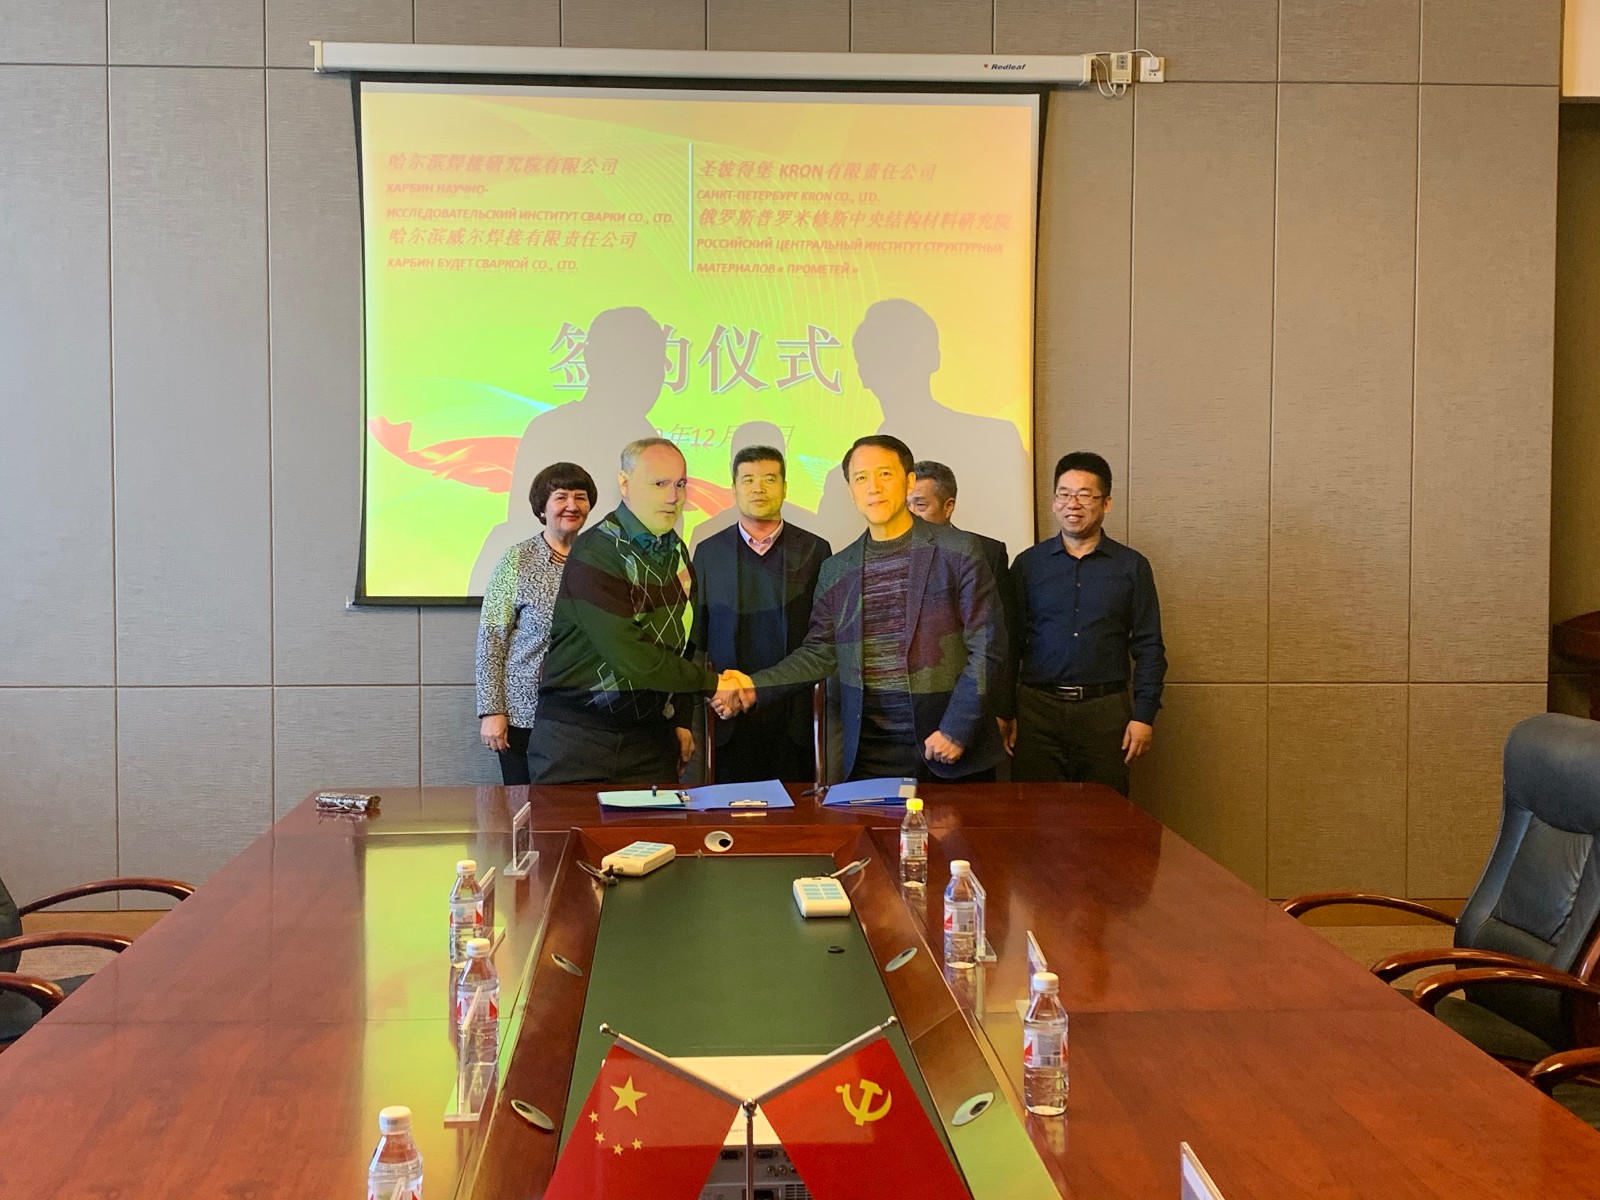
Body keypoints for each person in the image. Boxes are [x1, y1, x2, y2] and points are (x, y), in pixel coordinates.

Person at [716, 435, 1006, 783]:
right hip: (869, 756)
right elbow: (820, 652)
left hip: (946, 749)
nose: (873, 487)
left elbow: (988, 646)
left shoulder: (958, 551)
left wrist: (957, 729)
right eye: (861, 478)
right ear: (851, 491)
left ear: (908, 481)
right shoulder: (838, 568)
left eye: (885, 474)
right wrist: (753, 686)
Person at [529, 438, 717, 784]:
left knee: (660, 825)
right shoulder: (596, 550)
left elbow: (685, 644)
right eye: (659, 484)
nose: (673, 496)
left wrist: (680, 719)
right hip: (578, 743)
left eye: (680, 484)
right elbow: (630, 655)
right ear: (624, 483)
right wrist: (715, 684)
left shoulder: (677, 552)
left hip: (650, 741)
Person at [470, 306, 667, 594]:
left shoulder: (657, 448)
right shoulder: (549, 431)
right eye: (629, 361)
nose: (645, 377)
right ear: (592, 360)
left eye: (655, 364)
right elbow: (524, 528)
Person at [815, 300, 1032, 556]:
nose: (894, 369)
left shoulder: (993, 439)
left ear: (933, 358)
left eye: (905, 353)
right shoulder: (839, 479)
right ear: (863, 373)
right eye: (879, 359)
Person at [1010, 451, 1166, 795]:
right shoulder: (1027, 565)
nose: (1073, 504)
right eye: (1064, 494)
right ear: (1054, 502)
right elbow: (1010, 644)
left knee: (1105, 813)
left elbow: (1150, 647)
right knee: (1033, 811)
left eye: (1085, 495)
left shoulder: (1132, 566)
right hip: (1037, 711)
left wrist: (1143, 715)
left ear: (1106, 503)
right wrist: (1004, 712)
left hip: (1105, 711)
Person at [691, 443, 831, 783]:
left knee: (796, 809)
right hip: (728, 715)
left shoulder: (815, 549)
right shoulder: (709, 552)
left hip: (794, 715)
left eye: (769, 479)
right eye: (748, 479)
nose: (759, 488)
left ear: (784, 487)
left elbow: (823, 638)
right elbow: (698, 639)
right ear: (734, 488)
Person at [475, 462, 597, 784]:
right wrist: (492, 710)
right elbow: (491, 638)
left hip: (587, 714)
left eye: (580, 497)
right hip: (525, 714)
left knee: (575, 806)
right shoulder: (516, 559)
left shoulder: (601, 559)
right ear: (542, 507)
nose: (572, 505)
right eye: (561, 497)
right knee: (524, 805)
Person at [908, 459, 1020, 736]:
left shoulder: (987, 552)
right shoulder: (885, 556)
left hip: (971, 702)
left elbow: (1005, 637)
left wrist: (1003, 709)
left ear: (948, 507)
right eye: (905, 506)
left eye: (920, 505)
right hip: (906, 709)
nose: (910, 515)